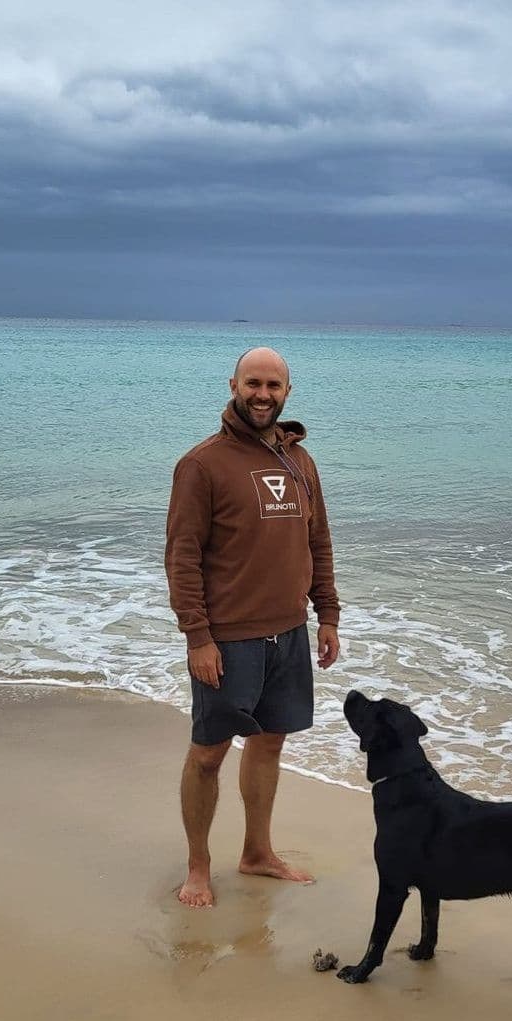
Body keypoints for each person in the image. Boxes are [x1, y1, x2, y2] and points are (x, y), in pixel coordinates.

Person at [165, 346, 341, 907]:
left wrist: (327, 614)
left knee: (268, 746)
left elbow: (318, 543)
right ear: (233, 385)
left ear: (287, 391)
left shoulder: (300, 461)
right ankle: (198, 866)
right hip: (228, 640)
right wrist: (198, 636)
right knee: (209, 752)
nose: (262, 395)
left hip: (288, 633)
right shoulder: (202, 464)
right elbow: (182, 557)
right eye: (253, 384)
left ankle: (257, 853)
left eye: (273, 386)